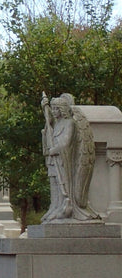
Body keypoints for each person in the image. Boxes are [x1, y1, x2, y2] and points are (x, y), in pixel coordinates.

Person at [41, 93, 98, 222]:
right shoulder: (56, 124)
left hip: (64, 161)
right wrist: (45, 109)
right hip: (53, 160)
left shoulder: (70, 123)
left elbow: (66, 143)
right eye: (53, 109)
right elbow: (49, 130)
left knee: (64, 185)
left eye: (56, 109)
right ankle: (55, 206)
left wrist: (55, 150)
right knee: (54, 183)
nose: (54, 112)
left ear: (63, 109)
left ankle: (66, 206)